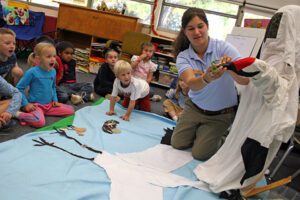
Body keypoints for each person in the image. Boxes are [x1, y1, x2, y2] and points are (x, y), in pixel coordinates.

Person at [170, 8, 249, 161]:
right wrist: (208, 77)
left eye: (200, 26)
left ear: (207, 26)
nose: (197, 32)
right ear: (184, 32)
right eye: (191, 28)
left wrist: (230, 68)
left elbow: (245, 80)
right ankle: (203, 133)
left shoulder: (224, 48)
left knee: (200, 154)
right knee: (177, 144)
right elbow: (192, 84)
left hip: (220, 114)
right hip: (194, 108)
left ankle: (221, 137)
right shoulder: (183, 56)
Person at [16, 42, 74, 128]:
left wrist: (55, 99)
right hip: (36, 105)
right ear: (38, 59)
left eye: (54, 56)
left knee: (71, 110)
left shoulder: (53, 71)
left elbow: (53, 87)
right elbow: (18, 89)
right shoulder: (32, 72)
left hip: (49, 105)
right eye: (48, 57)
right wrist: (25, 104)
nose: (53, 59)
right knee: (40, 122)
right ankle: (18, 114)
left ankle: (42, 113)